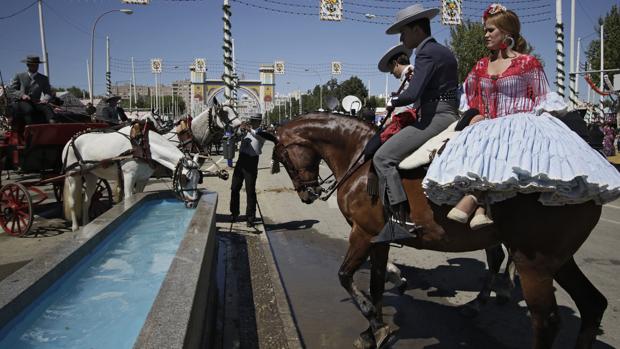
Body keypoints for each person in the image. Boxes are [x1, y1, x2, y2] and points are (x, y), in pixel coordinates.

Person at [422, 3, 620, 229]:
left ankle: (476, 199)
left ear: (507, 33)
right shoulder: (480, 66)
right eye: (485, 30)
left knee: (512, 150)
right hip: (488, 124)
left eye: (490, 30)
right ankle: (479, 206)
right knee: (469, 147)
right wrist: (474, 114)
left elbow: (542, 97)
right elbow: (470, 97)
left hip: (520, 122)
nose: (485, 34)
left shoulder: (528, 63)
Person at [373, 4, 459, 242]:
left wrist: (393, 99)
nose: (402, 38)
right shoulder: (441, 50)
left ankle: (400, 221)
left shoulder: (426, 52)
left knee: (382, 158)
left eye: (404, 32)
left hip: (436, 117)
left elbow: (413, 93)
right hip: (443, 112)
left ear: (416, 30)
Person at [230, 114, 277, 228]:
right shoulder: (246, 132)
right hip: (241, 160)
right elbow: (235, 136)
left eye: (254, 121)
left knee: (250, 191)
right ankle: (234, 213)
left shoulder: (261, 133)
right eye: (251, 121)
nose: (252, 122)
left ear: (259, 122)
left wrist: (248, 129)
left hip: (252, 162)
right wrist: (239, 130)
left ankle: (250, 218)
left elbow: (257, 135)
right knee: (234, 187)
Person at [9, 55, 56, 126]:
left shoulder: (43, 78)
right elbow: (12, 90)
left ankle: (53, 127)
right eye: (33, 65)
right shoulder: (19, 76)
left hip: (37, 102)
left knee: (48, 108)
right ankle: (32, 130)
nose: (36, 66)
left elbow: (48, 92)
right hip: (22, 102)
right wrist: (22, 95)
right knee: (28, 109)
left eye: (37, 65)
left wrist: (46, 99)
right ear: (28, 65)